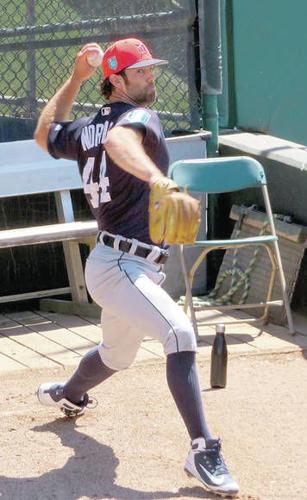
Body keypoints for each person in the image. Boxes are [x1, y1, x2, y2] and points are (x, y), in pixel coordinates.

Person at [34, 38, 239, 497]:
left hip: (120, 264)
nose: (151, 76)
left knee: (116, 356)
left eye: (150, 68)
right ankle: (202, 448)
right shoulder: (136, 118)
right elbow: (119, 139)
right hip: (122, 264)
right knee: (178, 333)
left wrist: (74, 78)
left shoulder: (85, 127)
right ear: (117, 81)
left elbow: (45, 133)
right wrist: (159, 178)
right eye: (140, 71)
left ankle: (67, 394)